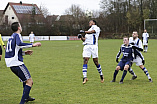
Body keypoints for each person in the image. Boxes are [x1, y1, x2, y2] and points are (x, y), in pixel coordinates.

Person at [5, 22, 41, 104]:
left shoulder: (11, 37)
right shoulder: (17, 35)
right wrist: (33, 45)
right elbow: (19, 44)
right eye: (20, 25)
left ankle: (27, 97)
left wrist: (24, 53)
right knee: (29, 82)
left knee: (26, 80)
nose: (21, 27)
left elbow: (13, 50)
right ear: (18, 28)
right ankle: (22, 102)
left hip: (11, 63)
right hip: (16, 63)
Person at [78, 20, 104, 84]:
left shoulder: (96, 27)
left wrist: (84, 31)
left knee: (96, 62)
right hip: (87, 46)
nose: (89, 22)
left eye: (91, 22)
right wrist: (81, 37)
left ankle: (101, 75)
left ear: (94, 23)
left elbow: (92, 32)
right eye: (89, 22)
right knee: (85, 60)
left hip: (93, 46)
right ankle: (85, 77)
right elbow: (85, 40)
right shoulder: (88, 31)